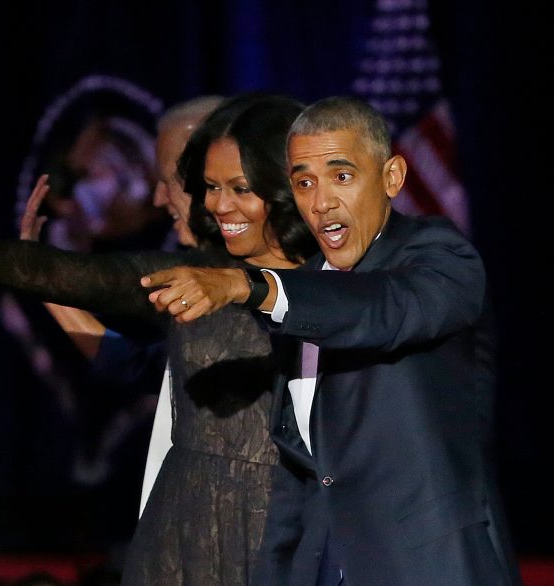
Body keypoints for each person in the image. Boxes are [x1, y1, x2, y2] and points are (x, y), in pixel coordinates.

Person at [0, 92, 318, 585]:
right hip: (191, 532)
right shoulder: (190, 276)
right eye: (208, 186)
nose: (214, 204)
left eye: (236, 187)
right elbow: (130, 357)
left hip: (289, 533)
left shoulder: (339, 286)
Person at [141, 96, 522, 585]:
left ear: (391, 177)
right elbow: (301, 478)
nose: (321, 202)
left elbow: (381, 308)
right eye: (304, 183)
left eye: (341, 176)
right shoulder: (307, 292)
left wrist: (248, 285)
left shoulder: (440, 258)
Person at [20, 96, 225, 519]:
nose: (157, 198)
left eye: (176, 179)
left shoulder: (302, 285)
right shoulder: (190, 281)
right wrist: (40, 277)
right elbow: (138, 366)